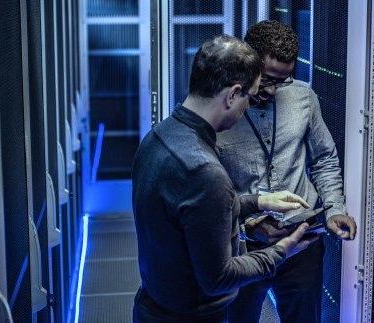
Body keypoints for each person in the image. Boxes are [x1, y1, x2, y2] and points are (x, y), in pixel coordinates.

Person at [131, 35, 319, 323]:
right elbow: (219, 278)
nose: (249, 107)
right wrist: (282, 251)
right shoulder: (205, 170)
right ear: (232, 95)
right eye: (249, 96)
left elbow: (189, 212)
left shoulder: (158, 137)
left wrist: (258, 202)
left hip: (153, 306)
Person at [217, 21, 357, 323]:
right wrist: (245, 226)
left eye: (284, 79)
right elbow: (207, 189)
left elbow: (324, 159)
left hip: (301, 240)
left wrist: (334, 209)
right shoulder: (219, 108)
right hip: (242, 248)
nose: (273, 89)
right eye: (267, 79)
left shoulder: (303, 98)